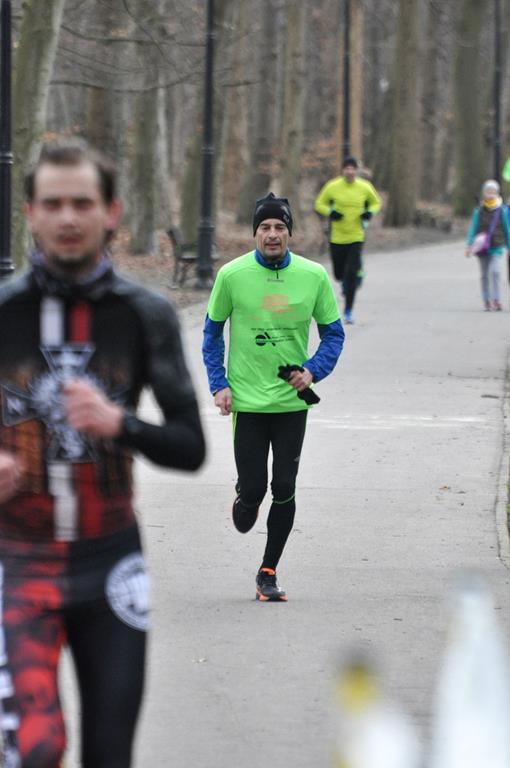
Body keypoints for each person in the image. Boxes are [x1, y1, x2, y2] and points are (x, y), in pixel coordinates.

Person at [0, 140, 206, 767]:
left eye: (82, 203)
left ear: (111, 212)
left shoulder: (144, 315)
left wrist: (121, 424)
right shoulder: (4, 313)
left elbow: (190, 447)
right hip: (17, 563)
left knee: (110, 756)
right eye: (53, 203)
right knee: (34, 750)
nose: (68, 217)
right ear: (30, 213)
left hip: (112, 565)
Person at [202, 193, 344, 602]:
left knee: (284, 484)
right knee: (254, 490)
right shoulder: (232, 275)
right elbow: (212, 334)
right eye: (265, 227)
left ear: (289, 233)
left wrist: (313, 370)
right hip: (247, 402)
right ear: (255, 233)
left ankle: (268, 571)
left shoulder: (313, 276)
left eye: (280, 227)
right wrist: (219, 384)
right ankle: (246, 497)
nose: (272, 234)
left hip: (291, 402)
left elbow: (333, 334)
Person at [314, 156, 381, 325]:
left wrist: (369, 213)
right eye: (347, 168)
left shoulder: (365, 187)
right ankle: (349, 278)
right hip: (337, 238)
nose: (350, 171)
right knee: (338, 274)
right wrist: (331, 212)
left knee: (350, 274)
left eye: (353, 168)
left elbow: (376, 203)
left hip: (356, 236)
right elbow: (319, 203)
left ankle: (348, 311)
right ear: (343, 170)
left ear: (356, 171)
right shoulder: (333, 186)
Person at [466, 179, 510, 311]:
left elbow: (506, 229)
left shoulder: (501, 211)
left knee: (496, 272)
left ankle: (496, 299)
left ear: (497, 194)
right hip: (482, 248)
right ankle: (487, 300)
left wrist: (509, 246)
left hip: (496, 247)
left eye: (493, 192)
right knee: (484, 274)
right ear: (484, 194)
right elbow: (473, 229)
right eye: (488, 192)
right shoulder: (478, 211)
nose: (491, 195)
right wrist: (469, 245)